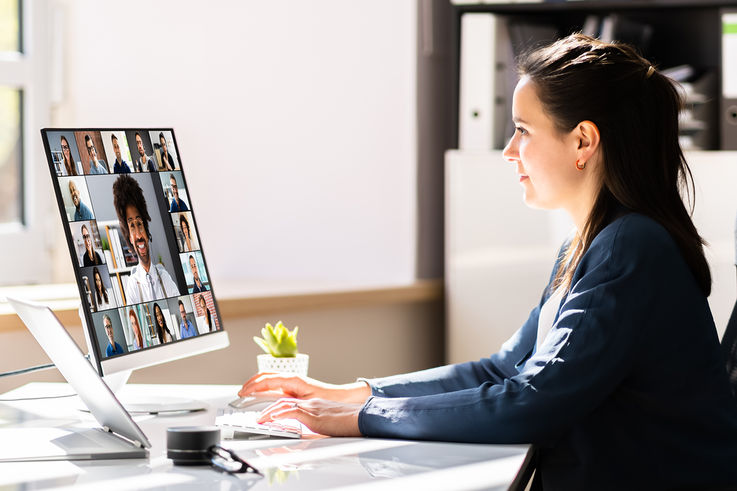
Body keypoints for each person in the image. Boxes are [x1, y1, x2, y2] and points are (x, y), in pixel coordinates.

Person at [238, 34, 737, 489]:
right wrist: (354, 393)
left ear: (583, 141)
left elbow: (533, 401)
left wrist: (361, 416)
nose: (508, 151)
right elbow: (504, 369)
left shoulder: (633, 246)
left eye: (523, 130)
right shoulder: (593, 241)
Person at [113, 174, 180, 304]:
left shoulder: (164, 277)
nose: (138, 235)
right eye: (132, 226)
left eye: (139, 224)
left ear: (146, 230)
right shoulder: (132, 287)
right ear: (130, 239)